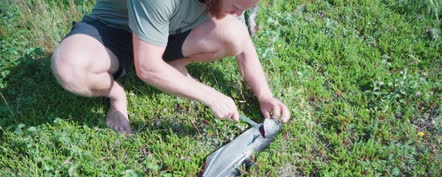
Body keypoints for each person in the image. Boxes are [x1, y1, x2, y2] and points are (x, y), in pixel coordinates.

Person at [51, 0, 290, 135]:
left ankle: (173, 66)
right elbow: (146, 67)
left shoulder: (227, 3)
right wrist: (211, 96)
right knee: (69, 68)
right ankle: (116, 94)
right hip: (113, 30)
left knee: (235, 34)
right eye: (238, 5)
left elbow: (244, 46)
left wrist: (264, 95)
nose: (240, 13)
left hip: (167, 33)